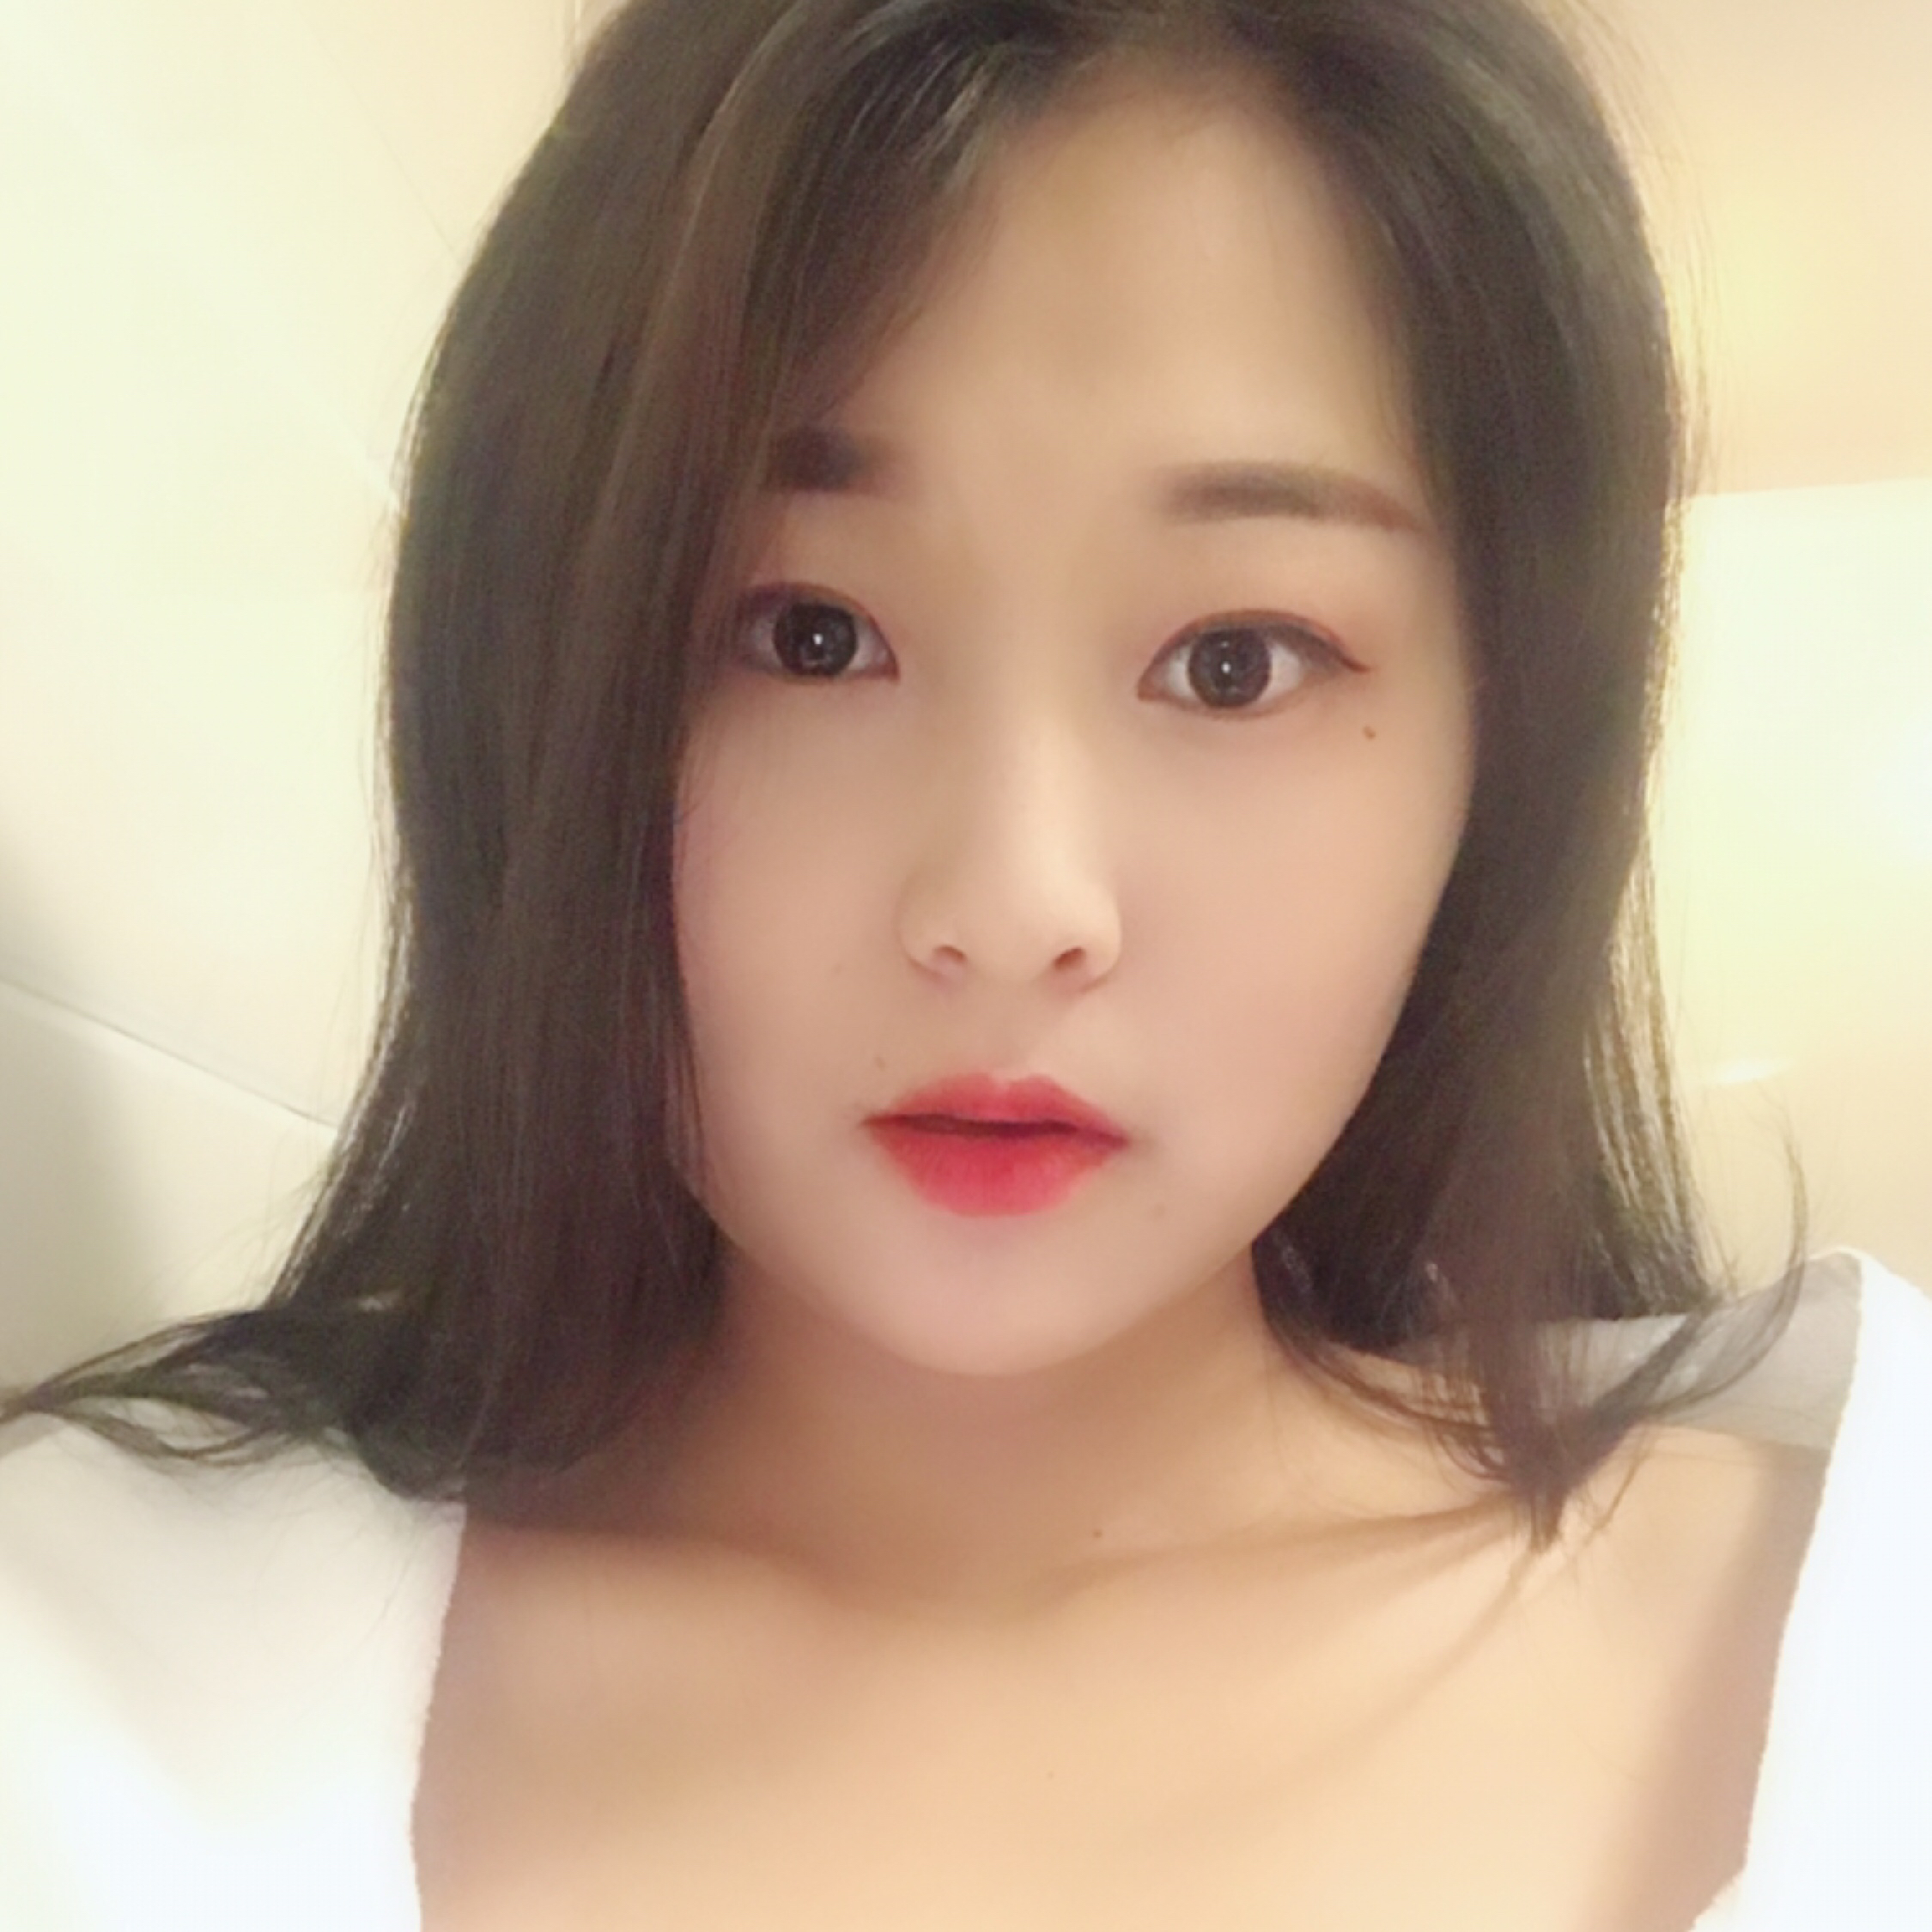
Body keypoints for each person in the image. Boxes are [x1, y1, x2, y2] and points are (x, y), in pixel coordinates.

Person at [2, 0, 1927, 1927]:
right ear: (530, 677)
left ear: (1503, 770)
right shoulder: (85, 1684)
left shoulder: (1871, 1637)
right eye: (809, 634)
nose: (1013, 903)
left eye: (1234, 662)